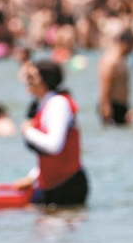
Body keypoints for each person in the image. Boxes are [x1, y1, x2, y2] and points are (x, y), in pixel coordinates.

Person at [14, 59, 88, 208]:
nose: (27, 81)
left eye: (31, 77)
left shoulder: (58, 103)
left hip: (67, 185)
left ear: (45, 81)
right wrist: (32, 177)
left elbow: (54, 146)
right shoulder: (42, 105)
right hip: (51, 184)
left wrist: (27, 131)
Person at [97, 29, 133, 125]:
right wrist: (106, 106)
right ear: (125, 43)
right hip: (112, 105)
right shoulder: (111, 60)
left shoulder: (121, 59)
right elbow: (105, 84)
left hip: (121, 105)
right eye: (132, 46)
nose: (132, 49)